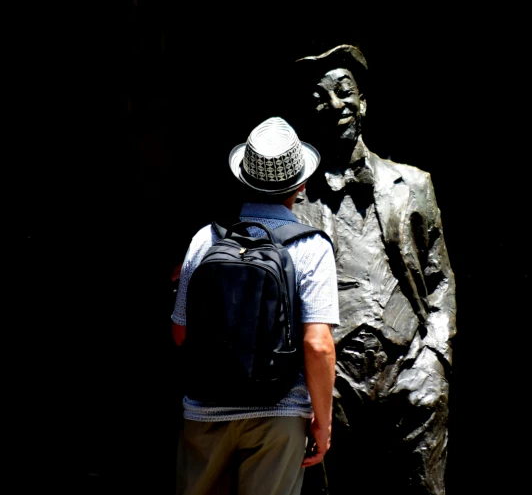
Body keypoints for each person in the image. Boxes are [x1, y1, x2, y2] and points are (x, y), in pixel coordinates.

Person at [288, 45, 457, 495]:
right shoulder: (293, 202)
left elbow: (440, 280)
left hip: (408, 365)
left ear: (364, 102)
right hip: (330, 375)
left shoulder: (413, 184)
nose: (336, 104)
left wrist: (435, 356)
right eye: (321, 98)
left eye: (345, 92)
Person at [171, 117, 339, 495]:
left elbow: (181, 333)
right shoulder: (312, 247)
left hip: (203, 417)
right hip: (278, 422)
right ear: (301, 184)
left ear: (242, 179)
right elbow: (317, 344)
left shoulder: (205, 238)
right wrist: (323, 424)